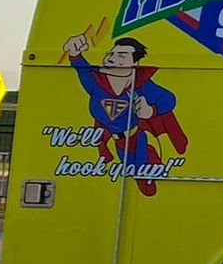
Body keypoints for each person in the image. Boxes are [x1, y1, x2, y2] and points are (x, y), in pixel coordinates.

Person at [64, 32, 187, 194]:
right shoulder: (96, 83)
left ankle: (148, 167)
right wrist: (74, 53)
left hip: (137, 137)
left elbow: (168, 98)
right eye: (111, 54)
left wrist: (151, 111)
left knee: (142, 176)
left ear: (135, 62)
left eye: (122, 55)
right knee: (127, 170)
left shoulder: (141, 84)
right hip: (117, 140)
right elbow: (80, 66)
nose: (113, 58)